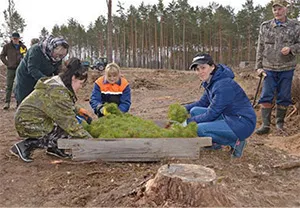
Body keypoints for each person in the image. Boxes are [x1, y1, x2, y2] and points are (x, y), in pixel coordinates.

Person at [10, 58, 92, 163]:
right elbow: (70, 124)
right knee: (69, 129)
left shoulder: (59, 83)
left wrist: (78, 110)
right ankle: (25, 146)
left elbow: (59, 106)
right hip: (28, 121)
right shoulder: (57, 93)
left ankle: (54, 148)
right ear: (73, 78)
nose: (81, 87)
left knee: (64, 129)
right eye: (81, 83)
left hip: (35, 118)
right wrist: (91, 140)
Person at [185, 53, 256, 158]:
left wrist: (188, 123)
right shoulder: (211, 81)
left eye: (203, 68)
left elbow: (211, 114)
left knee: (199, 128)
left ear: (212, 67)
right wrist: (182, 109)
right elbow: (202, 103)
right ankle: (216, 143)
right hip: (229, 117)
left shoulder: (223, 85)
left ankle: (236, 143)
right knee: (195, 110)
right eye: (197, 69)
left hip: (242, 123)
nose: (200, 72)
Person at [255, 0, 300, 135]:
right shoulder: (265, 26)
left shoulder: (295, 26)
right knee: (266, 96)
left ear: (286, 9)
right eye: (275, 9)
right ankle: (266, 125)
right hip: (268, 68)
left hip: (286, 68)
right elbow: (260, 47)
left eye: (280, 9)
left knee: (284, 96)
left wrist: (291, 49)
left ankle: (280, 124)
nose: (277, 12)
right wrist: (258, 67)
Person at [14, 35, 69, 106]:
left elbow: (57, 71)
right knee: (25, 103)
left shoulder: (56, 57)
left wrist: (60, 82)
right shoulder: (36, 50)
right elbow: (32, 69)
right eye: (58, 55)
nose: (58, 58)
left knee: (41, 103)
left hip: (43, 79)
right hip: (26, 79)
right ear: (52, 49)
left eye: (62, 56)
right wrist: (48, 81)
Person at [0, 32, 27, 110]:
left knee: (19, 86)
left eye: (17, 38)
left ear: (19, 38)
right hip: (10, 69)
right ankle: (7, 103)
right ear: (12, 38)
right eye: (14, 38)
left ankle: (19, 102)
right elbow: (2, 56)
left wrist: (24, 65)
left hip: (20, 69)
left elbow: (25, 56)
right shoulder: (7, 46)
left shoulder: (23, 47)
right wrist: (7, 63)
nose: (15, 40)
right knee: (9, 85)